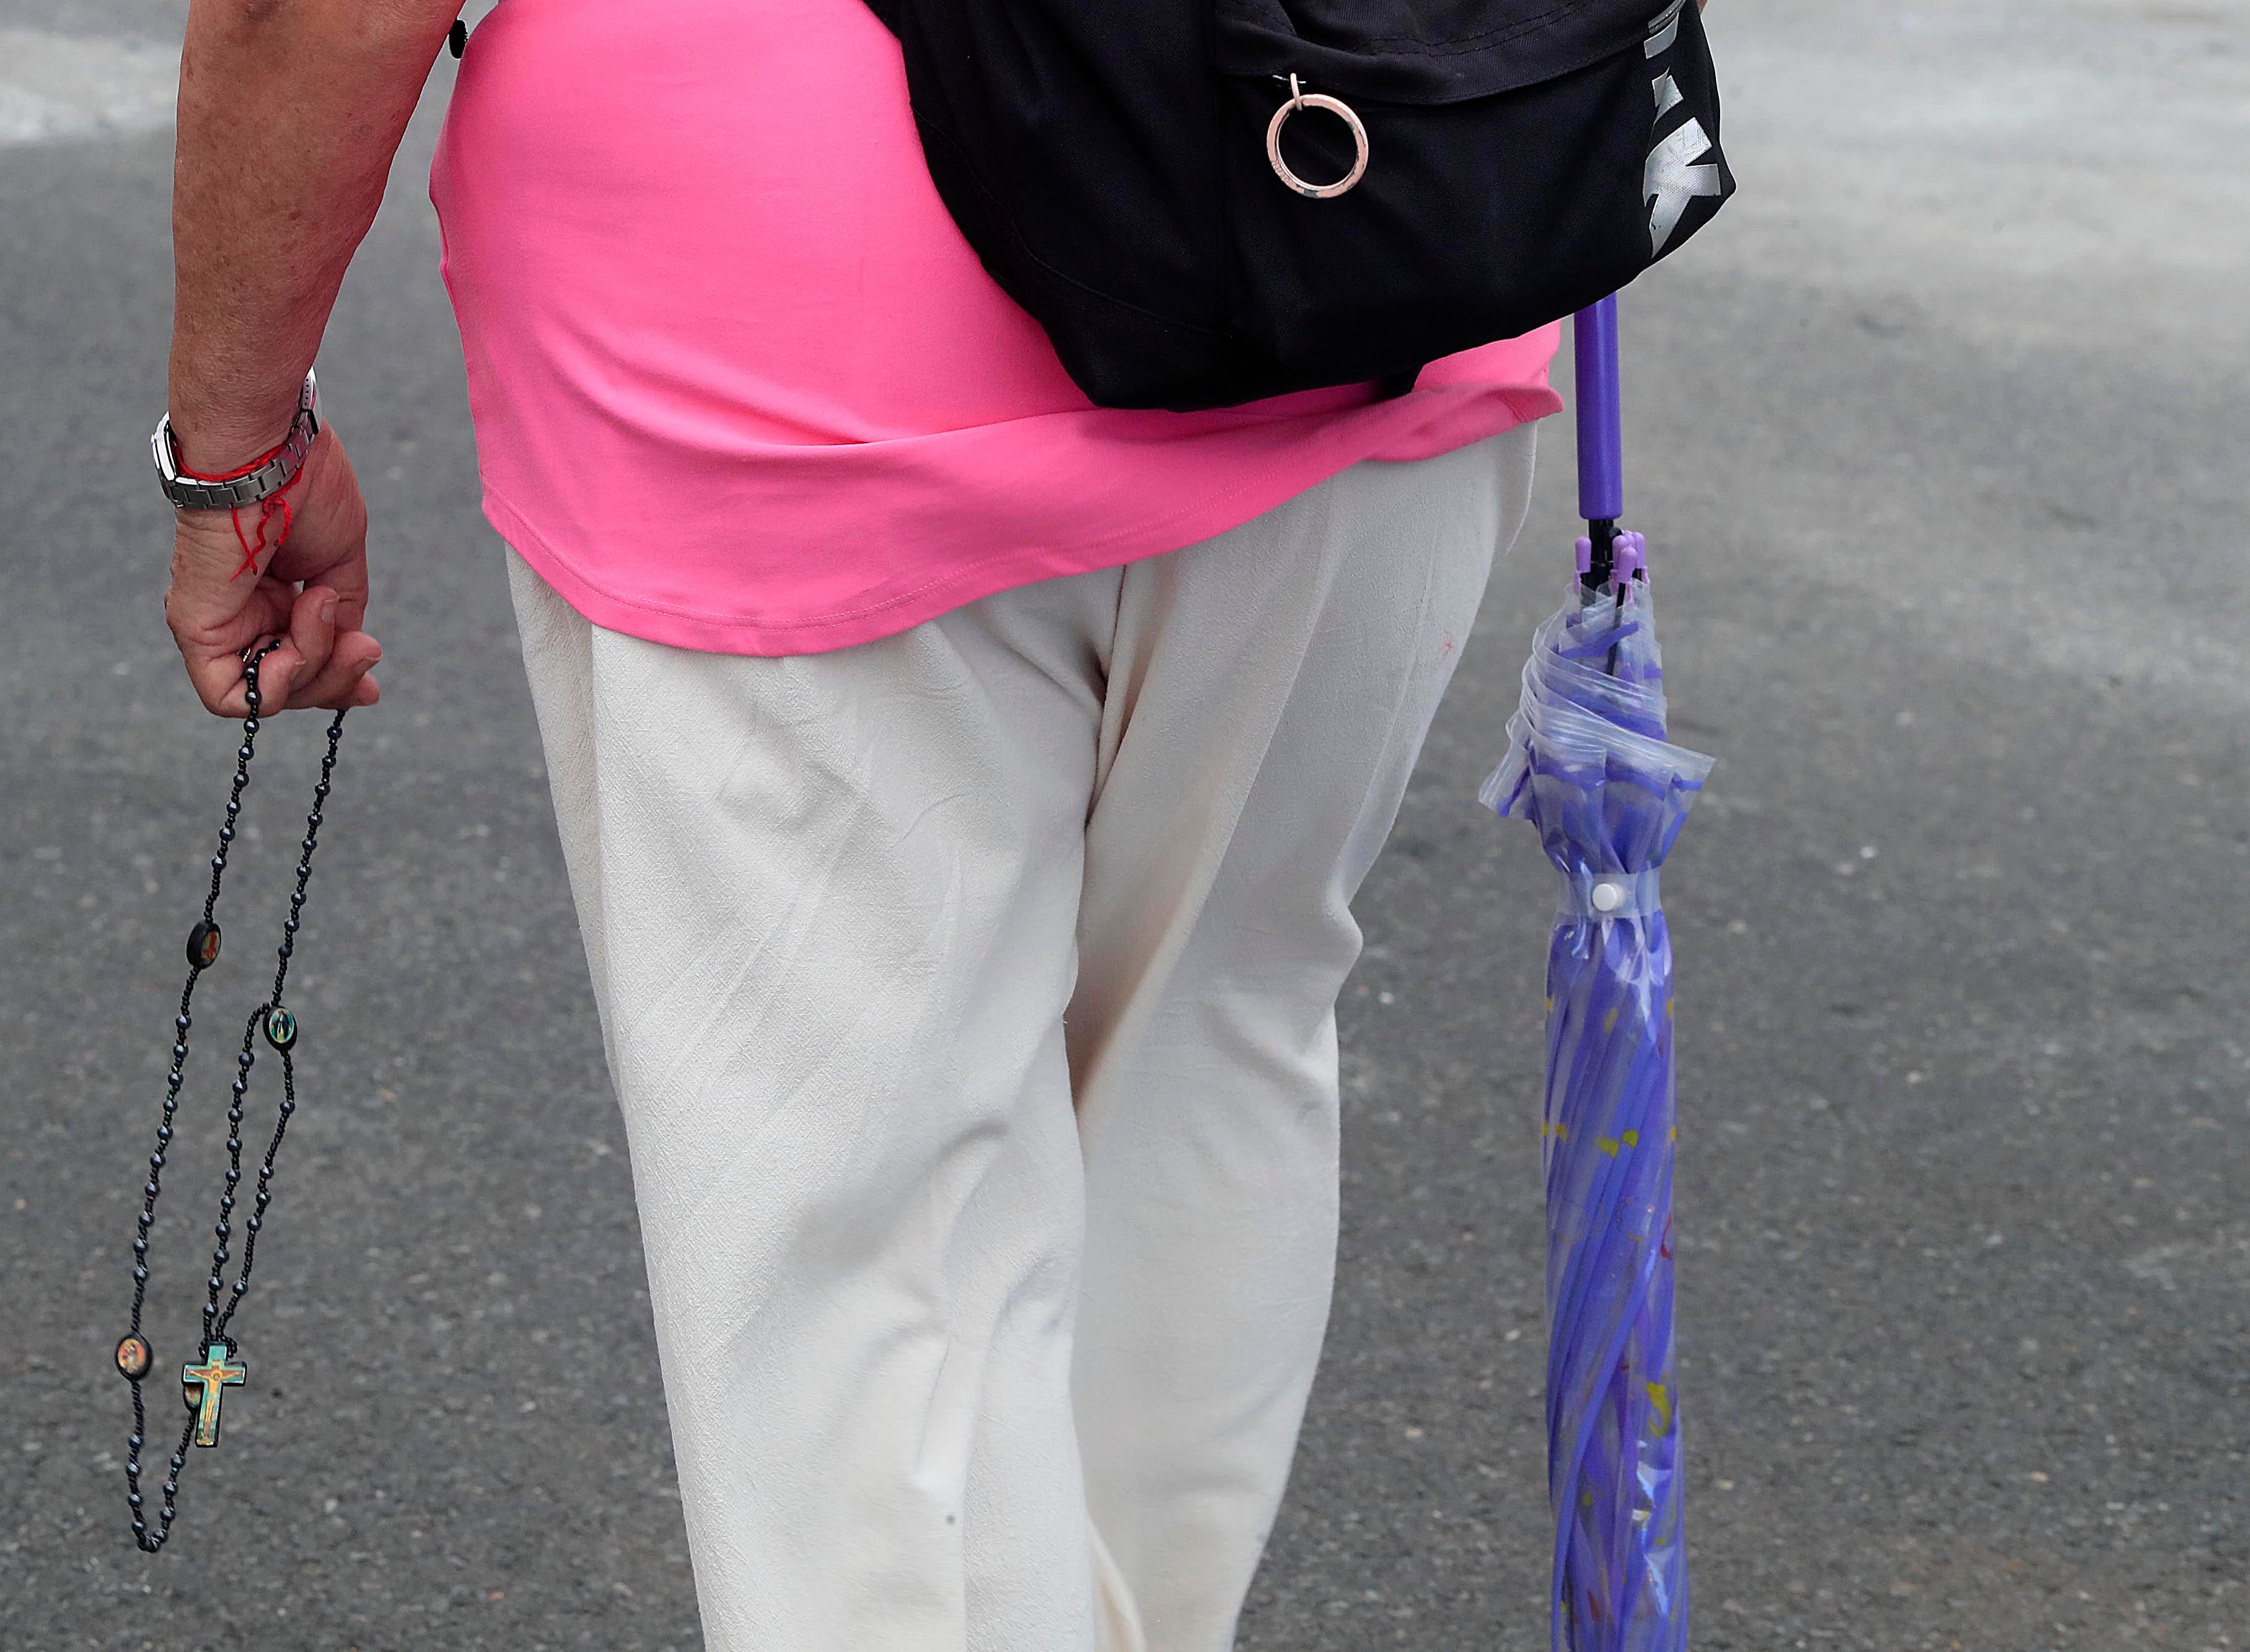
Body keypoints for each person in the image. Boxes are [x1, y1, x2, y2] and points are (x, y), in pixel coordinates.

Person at [157, 1, 1699, 1643]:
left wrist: (232, 452)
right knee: (1214, 1047)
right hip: (1379, 191)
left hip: (800, 338)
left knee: (861, 1246)